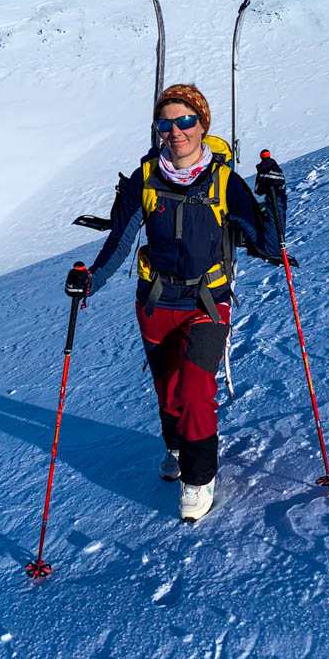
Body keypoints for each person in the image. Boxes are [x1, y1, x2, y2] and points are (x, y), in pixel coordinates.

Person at [65, 83, 286, 522]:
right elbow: (120, 241)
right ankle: (176, 446)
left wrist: (275, 195)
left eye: (186, 121)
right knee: (168, 392)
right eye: (166, 123)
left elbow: (269, 245)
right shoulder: (144, 179)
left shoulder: (225, 180)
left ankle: (197, 480)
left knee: (195, 390)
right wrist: (90, 280)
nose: (176, 131)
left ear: (203, 125)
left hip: (207, 300)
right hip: (155, 301)